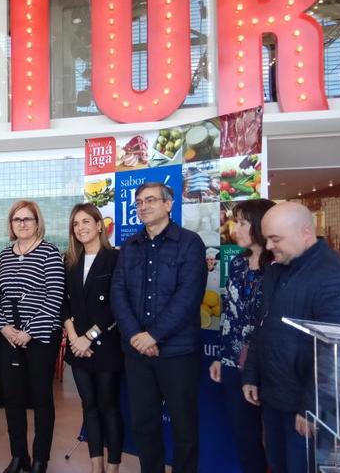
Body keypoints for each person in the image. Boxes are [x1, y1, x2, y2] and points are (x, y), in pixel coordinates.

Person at [242, 202, 340, 473]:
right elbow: (263, 326)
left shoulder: (336, 278)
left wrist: (313, 408)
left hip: (306, 409)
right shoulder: (276, 270)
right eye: (266, 238)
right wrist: (251, 373)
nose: (269, 246)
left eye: (275, 239)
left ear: (305, 233)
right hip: (274, 397)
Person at [111, 182, 206, 473]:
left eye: (150, 200)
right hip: (137, 352)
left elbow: (189, 296)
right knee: (143, 423)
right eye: (138, 202)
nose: (143, 206)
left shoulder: (190, 242)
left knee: (184, 426)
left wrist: (153, 335)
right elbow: (118, 292)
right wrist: (136, 337)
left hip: (177, 351)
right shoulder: (130, 246)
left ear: (168, 204)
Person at [0, 201, 64, 473]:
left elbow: (54, 297)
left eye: (27, 219)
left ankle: (40, 458)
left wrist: (28, 331)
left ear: (37, 222)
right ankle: (19, 456)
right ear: (11, 224)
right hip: (8, 334)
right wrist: (4, 327)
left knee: (41, 397)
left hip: (41, 335)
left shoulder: (50, 253)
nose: (22, 224)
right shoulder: (5, 255)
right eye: (16, 219)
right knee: (12, 397)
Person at [208, 199, 274, 473]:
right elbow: (229, 316)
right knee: (244, 436)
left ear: (261, 225)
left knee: (278, 440)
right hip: (235, 363)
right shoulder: (237, 263)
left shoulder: (279, 266)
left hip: (269, 366)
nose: (236, 228)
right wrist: (222, 358)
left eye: (243, 222)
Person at [62, 203, 123, 473]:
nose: (81, 228)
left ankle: (113, 465)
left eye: (86, 221)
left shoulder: (116, 258)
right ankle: (95, 464)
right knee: (89, 407)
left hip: (106, 346)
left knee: (108, 406)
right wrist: (75, 337)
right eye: (76, 224)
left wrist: (90, 337)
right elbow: (64, 304)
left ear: (100, 225)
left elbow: (117, 305)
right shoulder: (71, 262)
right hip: (78, 348)